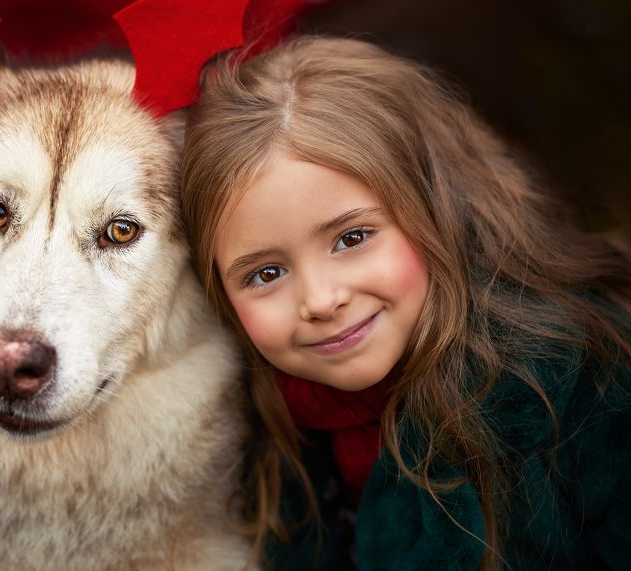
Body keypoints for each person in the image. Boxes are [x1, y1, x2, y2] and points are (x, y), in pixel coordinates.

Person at [180, 36, 631, 570]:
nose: (321, 300)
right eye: (266, 273)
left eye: (352, 238)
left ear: (439, 208)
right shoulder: (264, 429)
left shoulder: (576, 388)